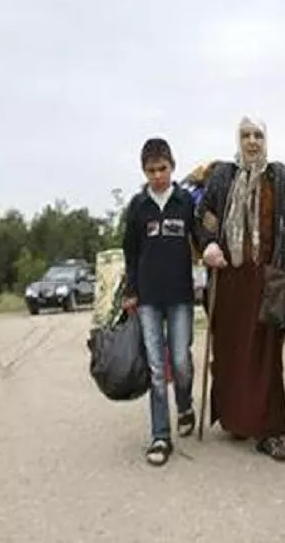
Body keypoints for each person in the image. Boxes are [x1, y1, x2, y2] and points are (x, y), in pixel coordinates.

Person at [198, 116, 285, 461]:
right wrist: (209, 244)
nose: (252, 141)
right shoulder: (223, 175)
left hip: (267, 279)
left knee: (266, 356)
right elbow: (207, 214)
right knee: (232, 351)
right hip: (229, 279)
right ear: (237, 140)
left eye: (258, 135)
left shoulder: (279, 176)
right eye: (245, 135)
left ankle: (271, 430)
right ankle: (238, 419)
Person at [122, 137, 199, 467]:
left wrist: (211, 248)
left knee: (180, 361)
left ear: (173, 166)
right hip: (149, 299)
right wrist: (130, 291)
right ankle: (160, 435)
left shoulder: (185, 202)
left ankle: (184, 404)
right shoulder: (137, 207)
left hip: (181, 295)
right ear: (143, 171)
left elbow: (201, 238)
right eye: (151, 170)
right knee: (156, 369)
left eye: (162, 169)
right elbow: (130, 252)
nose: (157, 176)